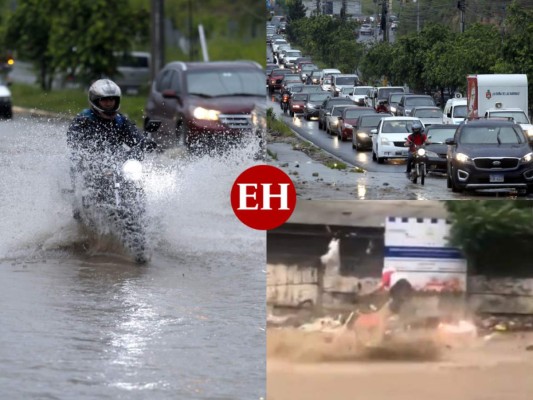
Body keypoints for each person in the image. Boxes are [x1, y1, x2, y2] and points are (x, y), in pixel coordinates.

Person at [67, 78, 156, 162]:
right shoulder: (84, 119)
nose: (109, 103)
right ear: (95, 101)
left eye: (111, 99)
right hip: (90, 165)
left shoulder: (120, 120)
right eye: (104, 99)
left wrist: (145, 143)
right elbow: (73, 141)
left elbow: (134, 137)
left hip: (118, 163)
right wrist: (89, 151)